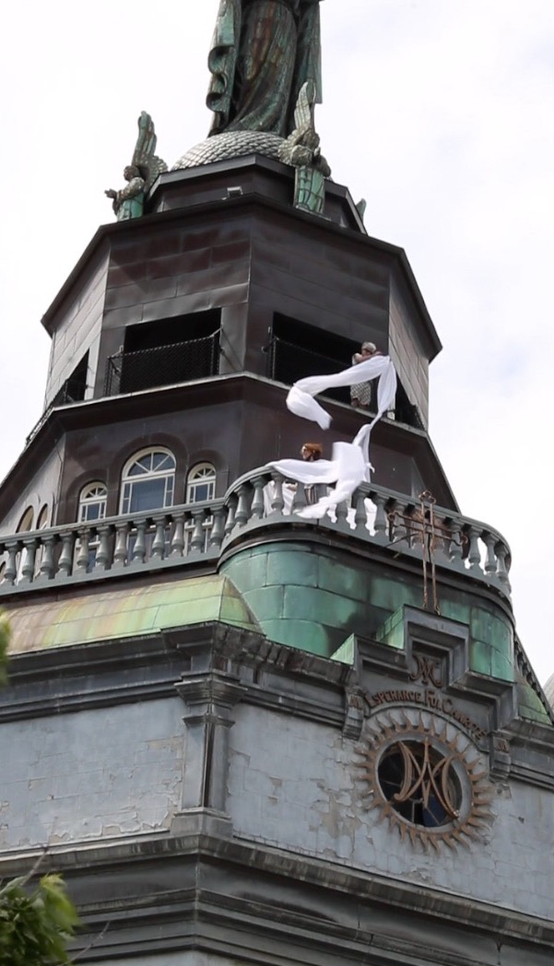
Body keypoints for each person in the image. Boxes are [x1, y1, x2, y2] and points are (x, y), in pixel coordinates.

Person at [207, 0, 323, 138]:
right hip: (256, 16)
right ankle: (241, 129)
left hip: (285, 22)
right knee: (248, 75)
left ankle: (270, 134)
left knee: (278, 89)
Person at [350, 342, 381, 411]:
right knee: (355, 400)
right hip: (357, 380)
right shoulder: (357, 355)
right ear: (362, 350)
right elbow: (360, 360)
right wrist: (373, 356)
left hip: (367, 384)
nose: (368, 353)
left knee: (364, 405)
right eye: (366, 350)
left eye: (370, 352)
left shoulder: (370, 363)